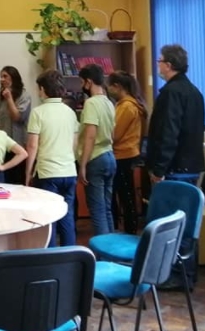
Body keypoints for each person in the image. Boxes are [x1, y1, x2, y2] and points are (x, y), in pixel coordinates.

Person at [147, 44, 205, 290]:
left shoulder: (171, 93)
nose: (158, 64)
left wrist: (159, 169)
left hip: (174, 168)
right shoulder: (194, 91)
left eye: (160, 61)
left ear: (169, 65)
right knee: (187, 223)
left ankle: (175, 275)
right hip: (190, 165)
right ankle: (187, 273)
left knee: (170, 225)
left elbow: (168, 133)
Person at [25, 70, 79, 247]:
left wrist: (28, 173)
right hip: (69, 171)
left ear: (43, 89)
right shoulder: (70, 112)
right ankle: (70, 255)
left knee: (49, 218)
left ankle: (51, 256)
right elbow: (74, 143)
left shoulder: (38, 113)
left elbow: (32, 146)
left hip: (48, 173)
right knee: (67, 216)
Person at [77, 64, 116, 236]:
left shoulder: (91, 103)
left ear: (89, 82)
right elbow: (112, 133)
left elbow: (90, 136)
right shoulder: (109, 102)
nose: (82, 86)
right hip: (110, 156)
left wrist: (83, 165)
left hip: (95, 158)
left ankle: (102, 250)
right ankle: (111, 247)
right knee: (107, 209)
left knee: (97, 211)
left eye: (82, 82)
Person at [107, 70, 147, 235]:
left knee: (125, 196)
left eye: (110, 86)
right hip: (126, 153)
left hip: (123, 155)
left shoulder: (127, 106)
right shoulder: (125, 104)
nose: (109, 90)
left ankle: (129, 231)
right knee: (124, 194)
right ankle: (124, 229)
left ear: (117, 86)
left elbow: (115, 134)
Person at [0, 66, 32, 185]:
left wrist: (9, 99)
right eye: (1, 77)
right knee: (5, 181)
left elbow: (17, 117)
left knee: (17, 180)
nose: (2, 79)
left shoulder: (24, 96)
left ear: (13, 78)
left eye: (5, 76)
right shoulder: (1, 97)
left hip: (18, 145)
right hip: (3, 145)